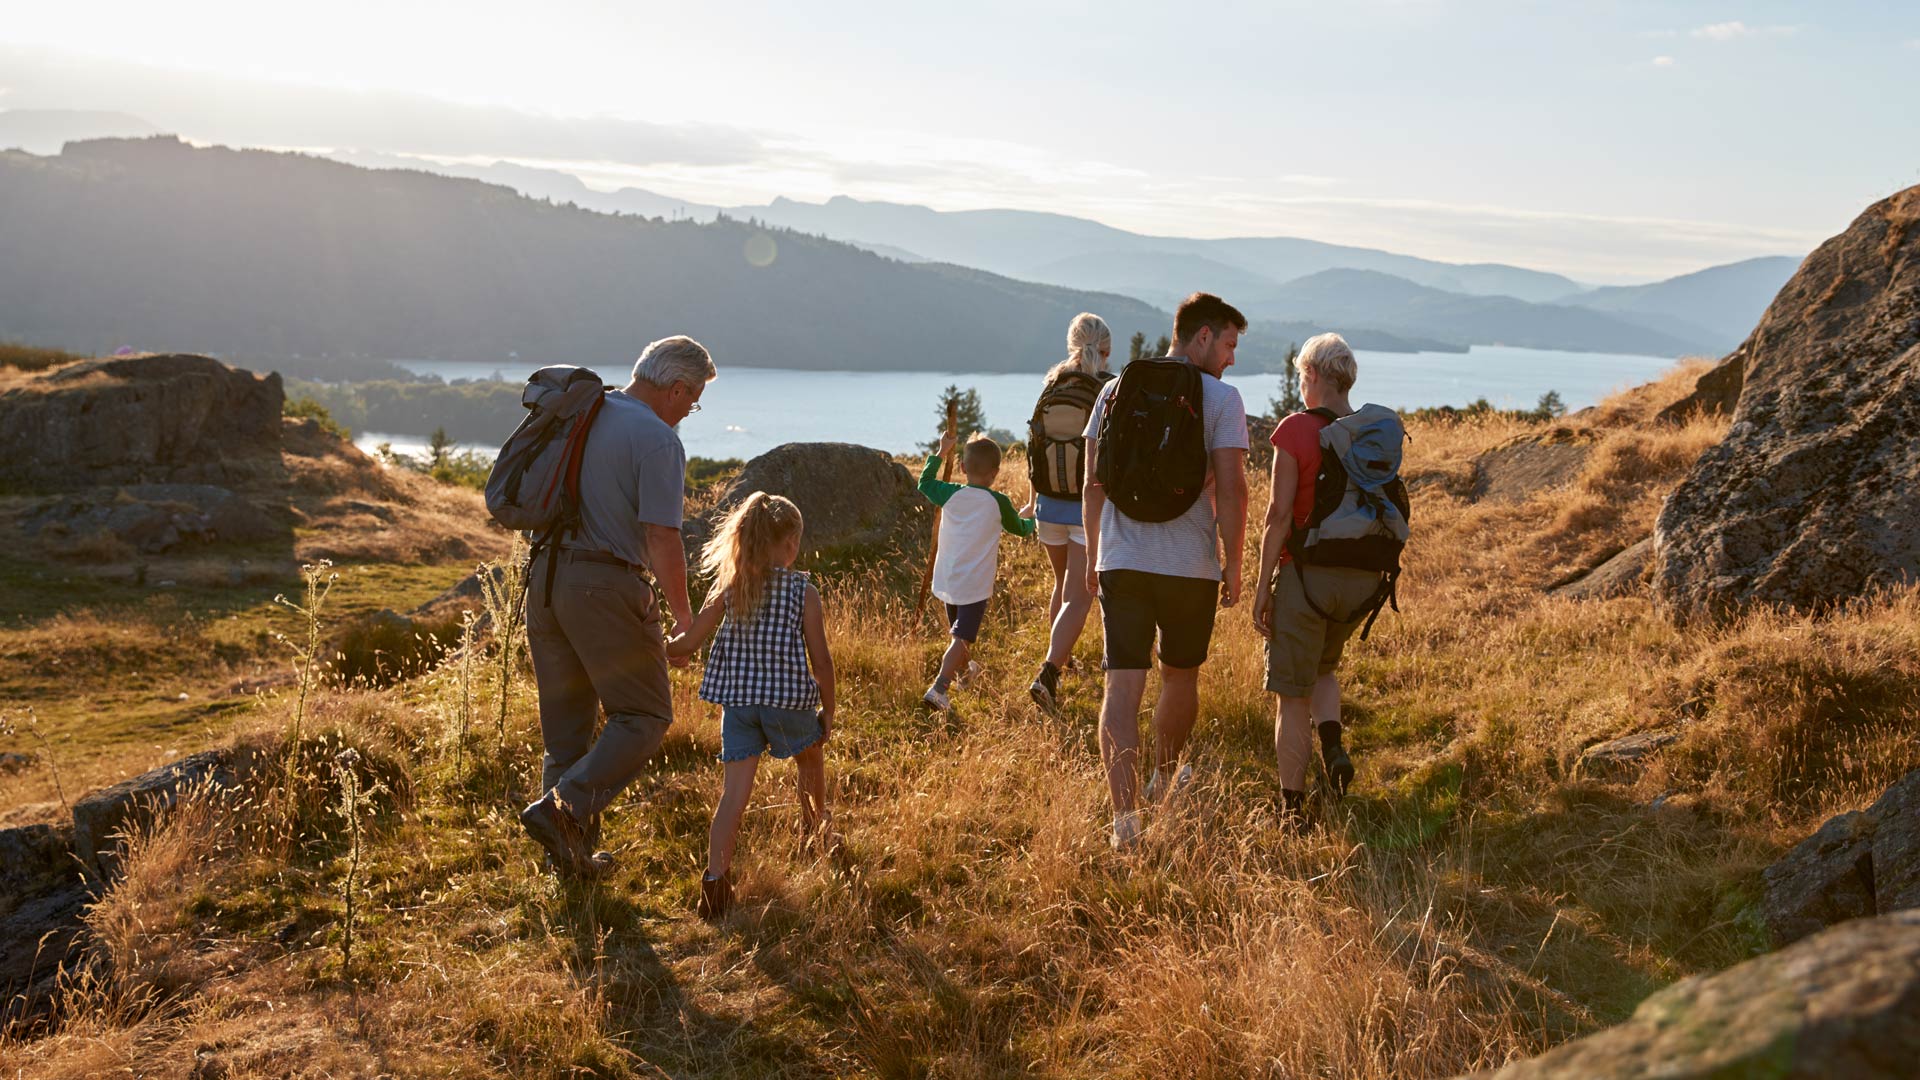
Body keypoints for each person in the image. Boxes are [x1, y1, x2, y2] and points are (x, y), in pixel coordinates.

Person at [518, 335, 714, 878]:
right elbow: (662, 537)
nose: (689, 413)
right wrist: (683, 614)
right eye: (693, 401)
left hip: (544, 581)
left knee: (567, 735)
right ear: (677, 388)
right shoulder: (656, 439)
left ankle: (572, 865)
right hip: (603, 588)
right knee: (645, 715)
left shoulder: (584, 412)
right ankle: (561, 815)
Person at [1082, 293, 1251, 850]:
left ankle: (1123, 823)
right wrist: (1234, 563)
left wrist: (1092, 558)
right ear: (1201, 337)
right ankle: (1160, 776)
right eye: (1227, 344)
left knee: (1122, 685)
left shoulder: (1114, 389)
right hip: (1189, 567)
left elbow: (1094, 484)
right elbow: (1233, 488)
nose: (1230, 359)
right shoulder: (1222, 399)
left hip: (1122, 560)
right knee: (1180, 676)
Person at [667, 493, 835, 920]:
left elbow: (686, 645)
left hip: (738, 707)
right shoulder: (803, 591)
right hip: (788, 705)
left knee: (733, 797)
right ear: (791, 544)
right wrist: (827, 712)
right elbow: (822, 663)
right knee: (809, 762)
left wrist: (662, 640)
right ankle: (813, 837)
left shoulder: (732, 588)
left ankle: (714, 882)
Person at [1250, 332, 1373, 823]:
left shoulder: (1296, 430)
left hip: (1306, 579)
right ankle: (1333, 745)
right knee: (1323, 666)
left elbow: (1278, 515)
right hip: (1360, 582)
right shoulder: (1367, 430)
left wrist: (1263, 589)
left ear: (1315, 376)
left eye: (1303, 375)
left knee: (1291, 697)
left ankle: (1292, 808)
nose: (1301, 384)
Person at [1027, 313, 1112, 713]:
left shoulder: (1051, 384)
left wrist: (1032, 499)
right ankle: (1049, 673)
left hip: (1047, 506)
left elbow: (1033, 447)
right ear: (1105, 350)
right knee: (1079, 597)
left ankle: (1062, 659)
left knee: (1061, 586)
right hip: (1083, 506)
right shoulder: (1105, 389)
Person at [919, 428, 1037, 711]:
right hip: (974, 586)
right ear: (995, 473)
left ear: (962, 467)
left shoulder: (949, 494)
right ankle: (939, 688)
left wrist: (942, 450)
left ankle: (964, 674)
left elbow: (924, 483)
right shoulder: (999, 503)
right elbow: (1020, 530)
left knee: (959, 635)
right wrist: (1031, 519)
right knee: (962, 637)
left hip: (948, 578)